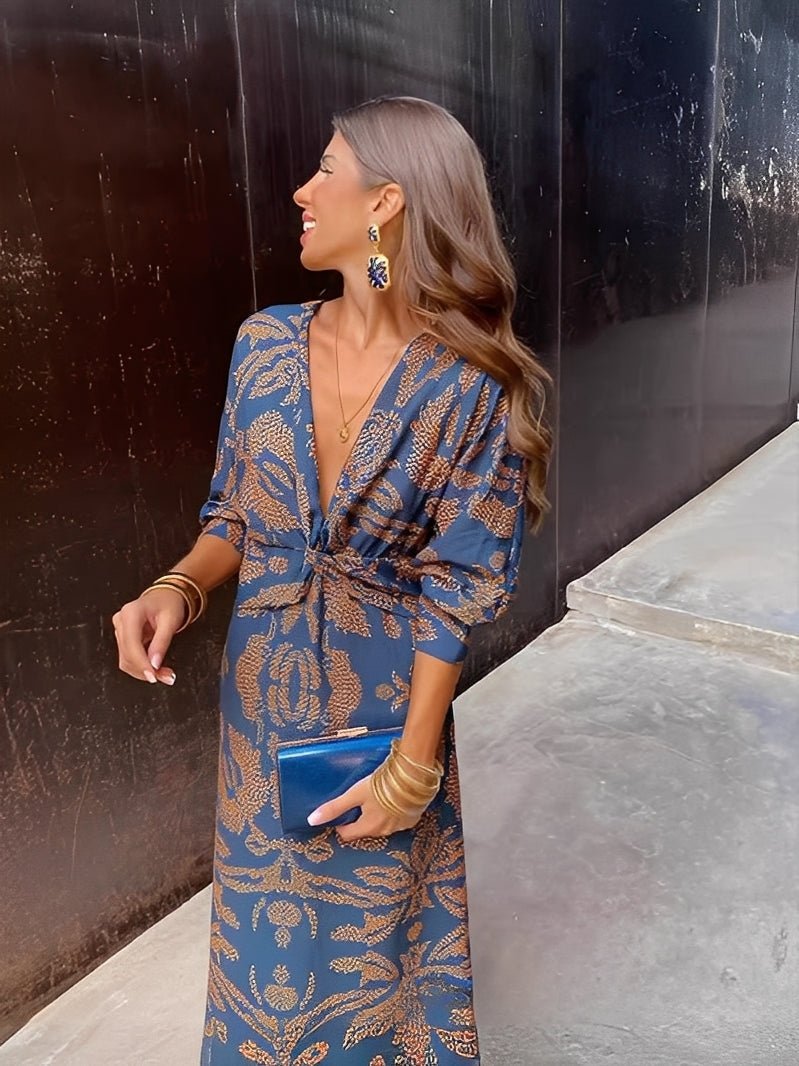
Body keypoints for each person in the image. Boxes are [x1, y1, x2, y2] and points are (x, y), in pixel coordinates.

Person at [113, 96, 550, 1066]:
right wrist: (176, 589)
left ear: (386, 202)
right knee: (262, 938)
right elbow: (235, 514)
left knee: (376, 947)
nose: (301, 193)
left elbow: (457, 586)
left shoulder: (466, 382)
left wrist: (415, 764)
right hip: (260, 694)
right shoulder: (263, 344)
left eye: (326, 170)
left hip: (386, 704)